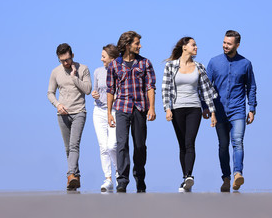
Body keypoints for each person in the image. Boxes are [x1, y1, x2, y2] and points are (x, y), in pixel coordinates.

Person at [162, 37, 218, 192]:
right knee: (182, 144)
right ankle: (184, 178)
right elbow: (165, 88)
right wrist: (167, 108)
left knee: (190, 142)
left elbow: (207, 91)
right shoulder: (171, 66)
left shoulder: (199, 67)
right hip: (177, 108)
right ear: (184, 47)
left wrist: (212, 112)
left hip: (194, 108)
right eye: (193, 45)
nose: (196, 47)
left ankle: (189, 176)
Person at [206, 30, 257, 192]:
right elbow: (206, 87)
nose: (225, 46)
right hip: (219, 111)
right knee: (223, 145)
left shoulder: (246, 64)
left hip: (238, 110)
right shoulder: (214, 62)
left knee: (238, 142)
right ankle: (226, 178)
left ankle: (237, 174)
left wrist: (252, 108)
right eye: (224, 42)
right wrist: (206, 107)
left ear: (237, 45)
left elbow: (252, 86)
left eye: (229, 43)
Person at [106, 31, 156, 193]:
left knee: (140, 146)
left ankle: (140, 179)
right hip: (121, 108)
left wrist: (152, 108)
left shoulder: (145, 63)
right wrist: (108, 113)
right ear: (128, 45)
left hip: (140, 108)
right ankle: (122, 180)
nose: (140, 46)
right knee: (121, 145)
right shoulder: (114, 65)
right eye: (137, 43)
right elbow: (110, 90)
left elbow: (150, 87)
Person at [47, 43, 92, 190]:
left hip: (79, 112)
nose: (65, 63)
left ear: (72, 55)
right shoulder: (55, 72)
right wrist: (58, 105)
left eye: (67, 59)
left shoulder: (83, 69)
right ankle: (75, 178)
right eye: (62, 60)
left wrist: (74, 77)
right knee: (68, 149)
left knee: (74, 146)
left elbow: (88, 90)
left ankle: (70, 174)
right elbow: (50, 93)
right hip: (62, 114)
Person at [92, 44, 120, 192]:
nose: (101, 58)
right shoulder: (97, 72)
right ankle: (108, 178)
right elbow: (95, 91)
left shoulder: (120, 71)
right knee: (103, 146)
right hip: (99, 112)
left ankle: (118, 172)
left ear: (112, 58)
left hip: (114, 111)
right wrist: (94, 94)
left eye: (104, 56)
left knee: (112, 146)